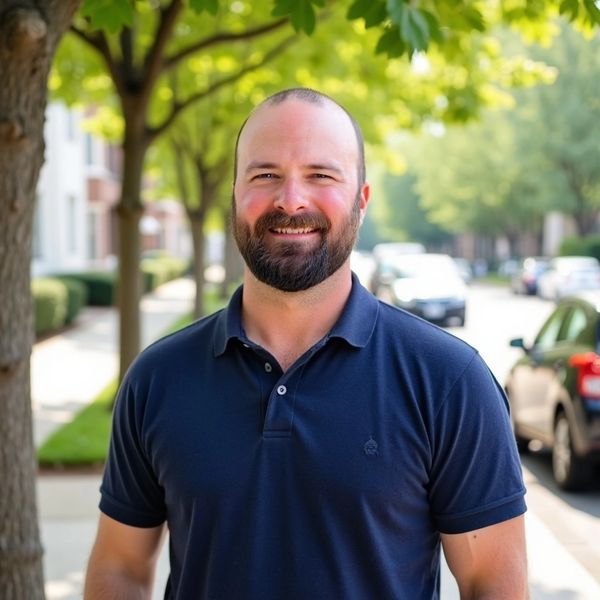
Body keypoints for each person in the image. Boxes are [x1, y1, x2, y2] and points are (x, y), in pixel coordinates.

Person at [84, 88, 528, 599]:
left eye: (321, 175)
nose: (291, 199)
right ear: (234, 193)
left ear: (361, 200)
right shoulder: (158, 377)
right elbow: (118, 569)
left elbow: (492, 585)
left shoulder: (450, 380)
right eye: (265, 174)